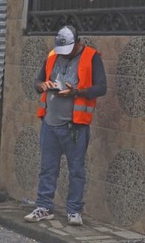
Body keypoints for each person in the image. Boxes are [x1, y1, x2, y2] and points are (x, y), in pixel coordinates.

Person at [25, 25, 106, 226]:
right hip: (50, 123)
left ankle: (74, 210)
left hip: (75, 127)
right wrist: (42, 86)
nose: (64, 54)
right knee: (47, 168)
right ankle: (44, 207)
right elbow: (37, 81)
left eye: (68, 49)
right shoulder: (53, 55)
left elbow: (101, 87)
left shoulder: (92, 57)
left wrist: (76, 92)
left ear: (77, 42)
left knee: (76, 169)